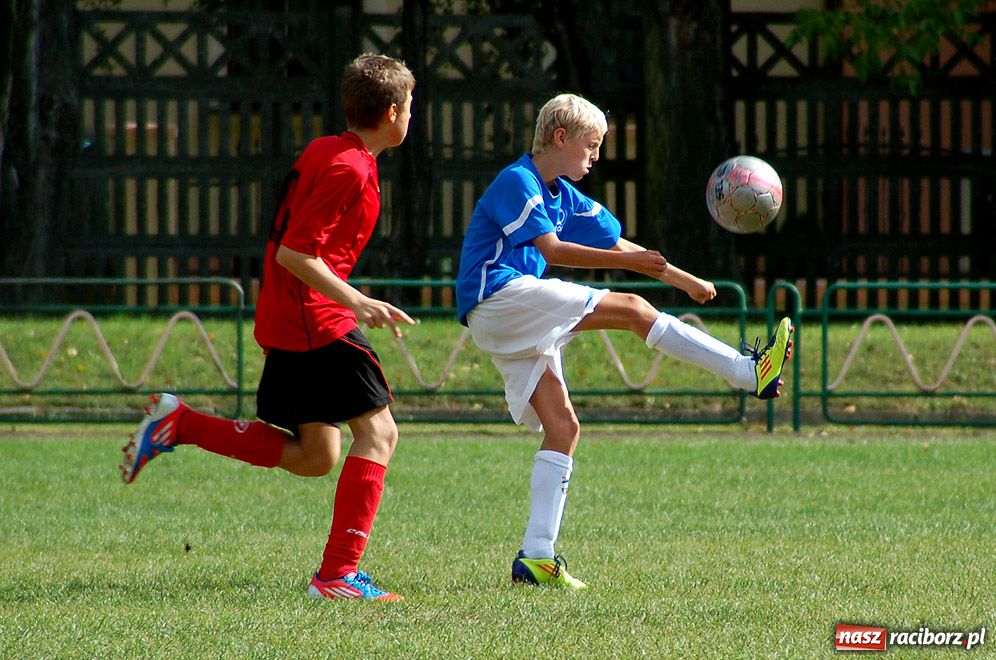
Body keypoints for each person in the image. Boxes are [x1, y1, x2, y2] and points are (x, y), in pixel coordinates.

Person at [455, 93, 793, 589]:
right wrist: (636, 271)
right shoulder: (519, 181)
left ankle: (536, 557)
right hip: (499, 298)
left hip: (511, 313)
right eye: (591, 146)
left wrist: (683, 279)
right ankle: (748, 373)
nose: (595, 157)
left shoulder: (562, 194)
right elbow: (553, 251)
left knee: (564, 428)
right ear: (560, 138)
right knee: (633, 309)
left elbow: (616, 243)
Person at [120, 53, 417, 602]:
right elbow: (296, 253)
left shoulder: (330, 149)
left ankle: (177, 424)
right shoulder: (349, 166)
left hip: (291, 316)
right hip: (315, 320)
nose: (412, 116)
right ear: (394, 111)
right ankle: (337, 577)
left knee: (316, 456)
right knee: (379, 435)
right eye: (411, 106)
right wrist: (359, 301)